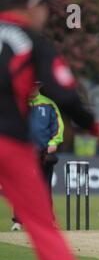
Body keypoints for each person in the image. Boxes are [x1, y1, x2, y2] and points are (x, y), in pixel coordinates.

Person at [0, 0, 99, 260]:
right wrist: (94, 126)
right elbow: (67, 96)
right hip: (9, 141)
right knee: (44, 230)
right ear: (33, 7)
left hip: (19, 143)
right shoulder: (33, 40)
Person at [11, 82, 64, 231]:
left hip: (43, 152)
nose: (31, 88)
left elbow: (58, 125)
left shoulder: (48, 104)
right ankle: (19, 221)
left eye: (34, 86)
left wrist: (54, 142)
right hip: (23, 153)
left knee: (44, 188)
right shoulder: (18, 104)